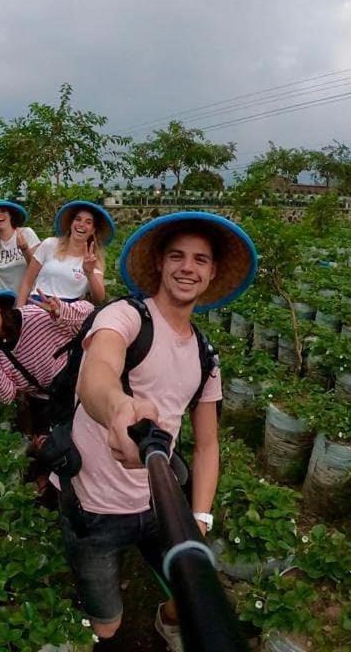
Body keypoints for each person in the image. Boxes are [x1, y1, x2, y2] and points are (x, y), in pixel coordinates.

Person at [60, 211, 257, 649]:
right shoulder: (126, 317)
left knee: (186, 595)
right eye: (177, 256)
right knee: (106, 619)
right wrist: (116, 408)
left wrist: (199, 518)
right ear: (162, 266)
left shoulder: (205, 354)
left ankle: (166, 622)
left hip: (160, 500)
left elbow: (206, 445)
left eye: (200, 260)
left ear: (212, 274)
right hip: (95, 506)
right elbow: (99, 372)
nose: (188, 267)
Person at [0, 283, 94, 493]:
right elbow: (7, 396)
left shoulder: (34, 316)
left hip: (80, 385)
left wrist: (61, 311)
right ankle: (62, 493)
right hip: (46, 401)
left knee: (92, 443)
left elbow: (90, 314)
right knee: (54, 451)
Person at [16, 200, 114, 306]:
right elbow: (27, 281)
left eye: (88, 222)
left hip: (68, 313)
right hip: (38, 305)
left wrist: (90, 273)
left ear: (93, 230)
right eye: (78, 219)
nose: (81, 224)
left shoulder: (93, 259)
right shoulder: (49, 244)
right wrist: (20, 311)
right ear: (71, 224)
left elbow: (99, 298)